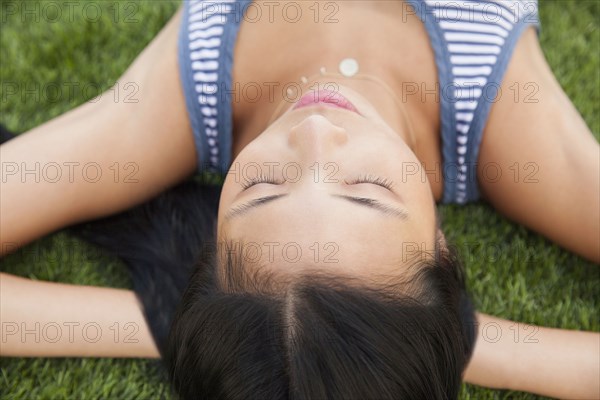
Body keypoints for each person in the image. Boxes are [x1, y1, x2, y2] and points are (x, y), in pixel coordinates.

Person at [1, 1, 598, 399]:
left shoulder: (180, 105)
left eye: (262, 188)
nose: (315, 132)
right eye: (368, 192)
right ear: (442, 249)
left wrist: (191, 329)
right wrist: (444, 342)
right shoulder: (512, 132)